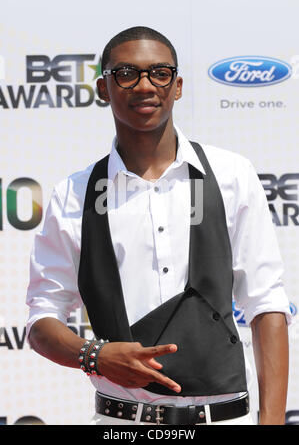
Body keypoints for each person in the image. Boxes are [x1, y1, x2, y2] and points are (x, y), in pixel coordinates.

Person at [26, 26, 291, 426]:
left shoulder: (230, 174)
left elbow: (266, 302)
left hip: (225, 418)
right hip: (123, 424)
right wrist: (94, 356)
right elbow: (42, 318)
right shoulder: (74, 195)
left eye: (160, 73)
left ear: (178, 85)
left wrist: (270, 421)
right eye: (126, 73)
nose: (145, 85)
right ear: (103, 88)